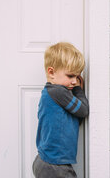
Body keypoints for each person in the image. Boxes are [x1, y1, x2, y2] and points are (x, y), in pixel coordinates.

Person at [32, 42, 89, 178]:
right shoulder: (59, 92)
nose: (75, 81)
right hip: (54, 165)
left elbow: (74, 119)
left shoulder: (51, 93)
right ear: (51, 72)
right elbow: (83, 110)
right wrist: (78, 90)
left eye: (77, 76)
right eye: (70, 76)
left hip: (47, 161)